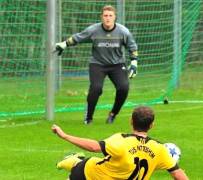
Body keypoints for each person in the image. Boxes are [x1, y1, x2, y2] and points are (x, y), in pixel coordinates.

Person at [51, 106, 189, 180]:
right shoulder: (159, 149)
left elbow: (94, 146)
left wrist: (64, 136)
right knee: (80, 165)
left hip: (95, 172)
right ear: (152, 125)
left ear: (131, 121)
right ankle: (72, 161)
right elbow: (178, 175)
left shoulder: (121, 140)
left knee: (87, 162)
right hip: (88, 175)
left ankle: (75, 160)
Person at [55, 5, 138, 124]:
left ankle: (113, 114)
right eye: (105, 16)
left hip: (117, 64)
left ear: (115, 17)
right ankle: (88, 118)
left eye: (110, 16)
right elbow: (78, 38)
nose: (108, 18)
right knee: (96, 88)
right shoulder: (93, 30)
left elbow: (132, 47)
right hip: (98, 64)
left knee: (124, 88)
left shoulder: (123, 31)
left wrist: (134, 64)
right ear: (101, 17)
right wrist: (64, 44)